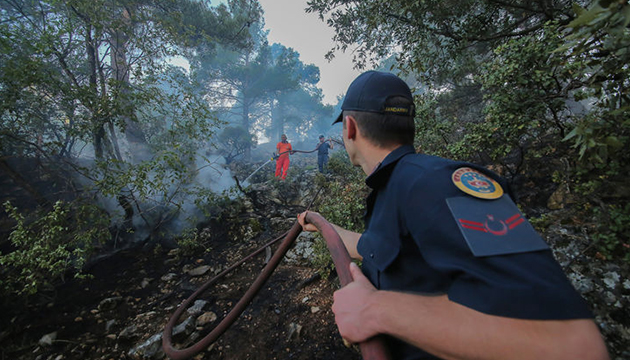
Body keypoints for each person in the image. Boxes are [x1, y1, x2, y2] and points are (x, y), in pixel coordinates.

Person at [297, 71, 609, 360]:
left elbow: (572, 345)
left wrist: (375, 310)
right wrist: (322, 222)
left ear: (349, 128)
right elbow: (372, 247)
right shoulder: (394, 191)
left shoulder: (436, 182)